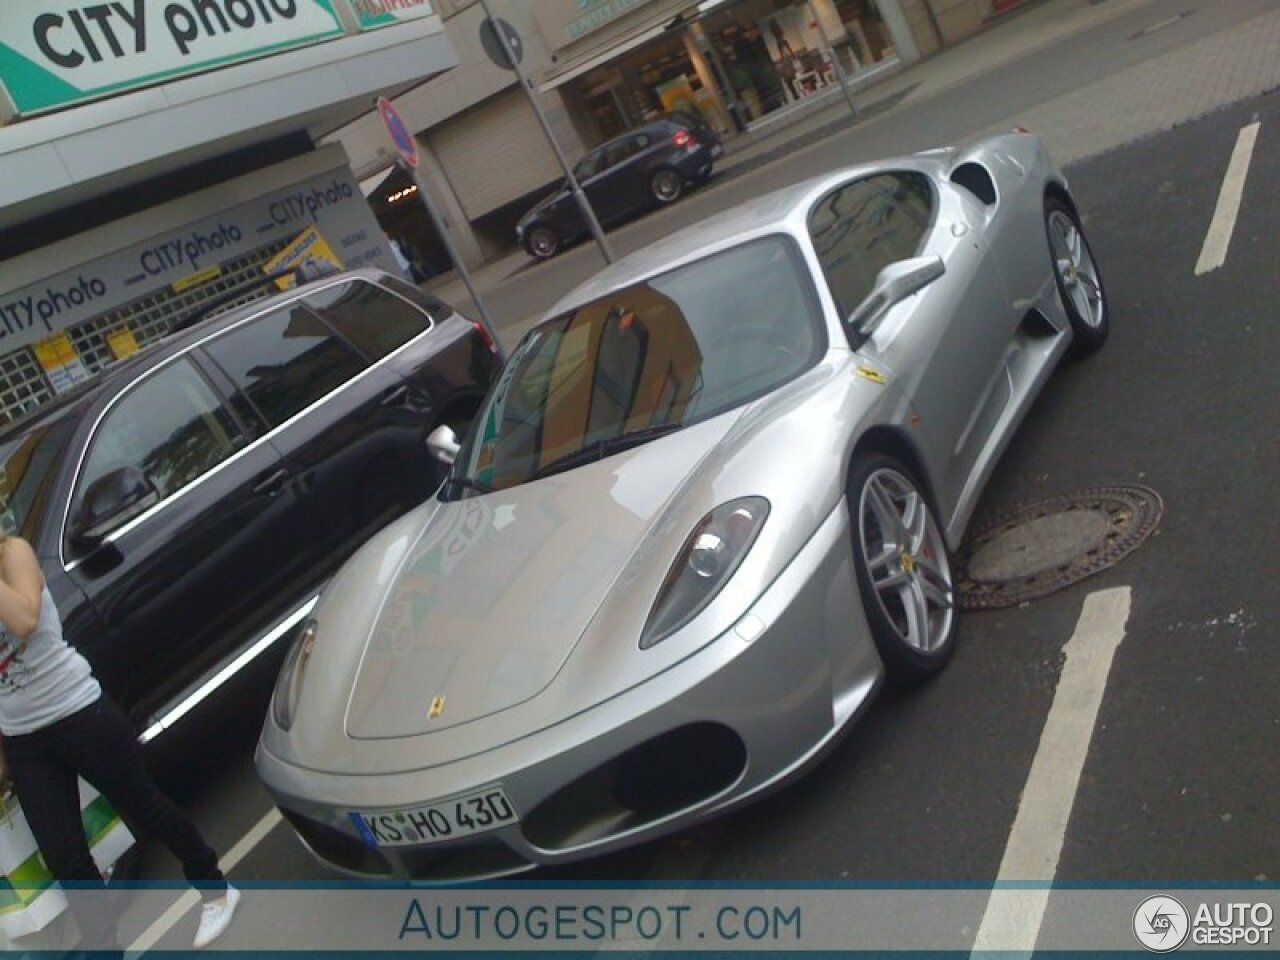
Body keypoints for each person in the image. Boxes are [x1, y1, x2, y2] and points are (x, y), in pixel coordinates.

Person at [0, 531, 239, 952]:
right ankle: (105, 947)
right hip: (25, 741)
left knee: (144, 805)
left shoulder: (12, 553)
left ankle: (214, 887)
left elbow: (24, 620)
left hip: (78, 712)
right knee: (65, 857)